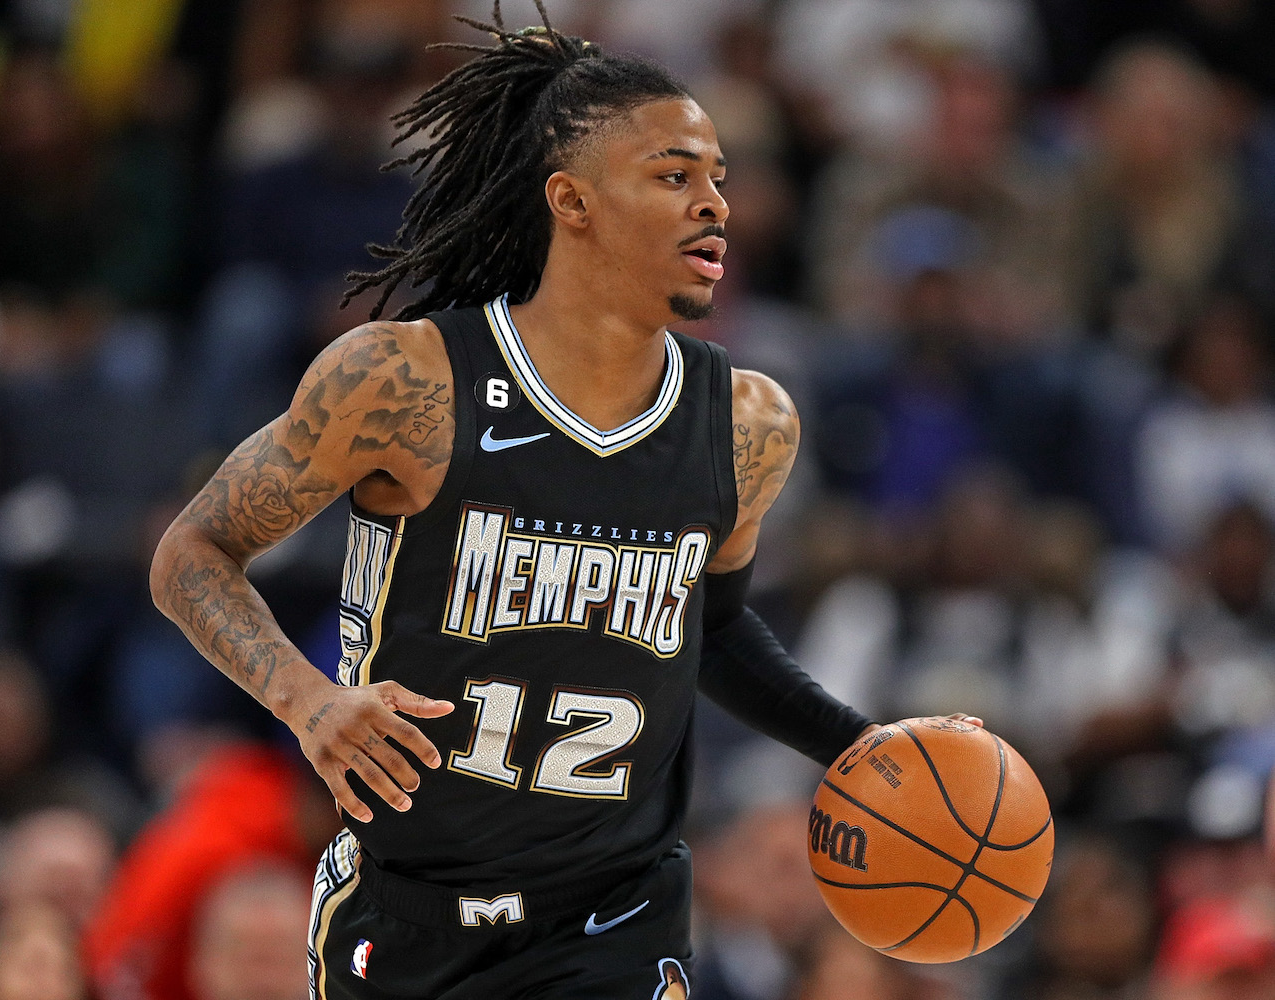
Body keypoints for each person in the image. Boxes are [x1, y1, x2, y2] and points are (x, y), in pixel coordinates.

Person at [152, 6, 963, 996]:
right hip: (412, 912)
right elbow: (190, 553)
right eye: (674, 177)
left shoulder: (746, 425)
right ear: (572, 202)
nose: (713, 204)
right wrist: (304, 698)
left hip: (615, 917)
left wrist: (858, 743)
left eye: (718, 177)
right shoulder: (406, 387)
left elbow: (708, 629)